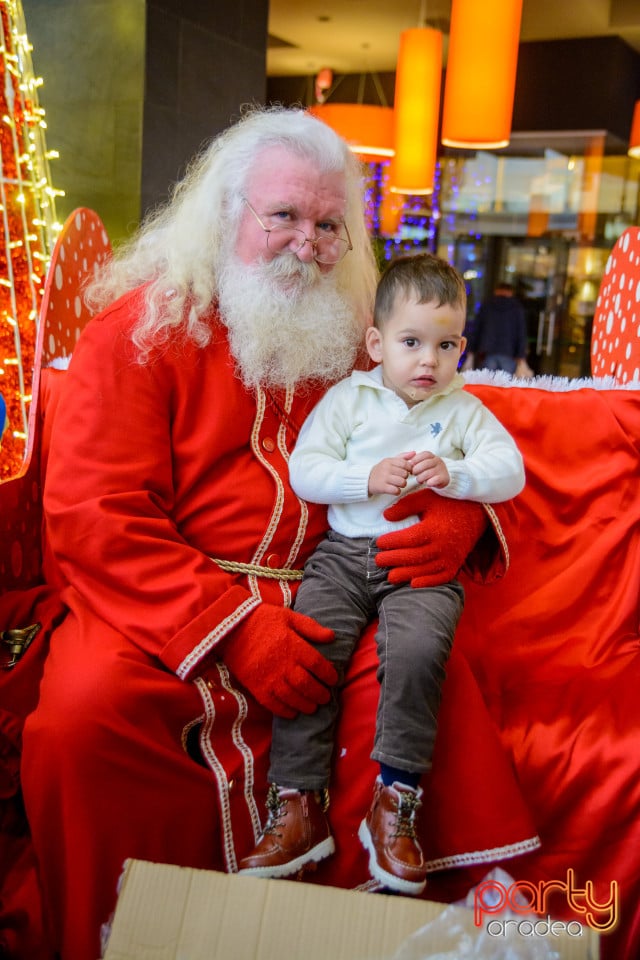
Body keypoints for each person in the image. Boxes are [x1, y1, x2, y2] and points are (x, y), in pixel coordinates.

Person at [19, 106, 517, 960]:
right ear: (227, 214)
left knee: (435, 678)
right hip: (165, 611)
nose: (308, 242)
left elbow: (451, 428)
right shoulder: (139, 331)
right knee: (80, 718)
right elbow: (97, 513)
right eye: (283, 216)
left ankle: (356, 938)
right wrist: (236, 627)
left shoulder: (360, 335)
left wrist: (461, 511)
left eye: (329, 224)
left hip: (339, 590)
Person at [237, 253, 525, 894]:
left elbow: (511, 471)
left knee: (422, 650)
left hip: (422, 561)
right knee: (310, 645)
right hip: (343, 554)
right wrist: (361, 478)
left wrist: (458, 476)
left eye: (445, 345)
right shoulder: (350, 398)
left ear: (462, 348)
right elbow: (306, 469)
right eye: (412, 342)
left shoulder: (464, 410)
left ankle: (396, 800)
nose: (429, 360)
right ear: (377, 343)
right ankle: (298, 803)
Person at [465, 281, 529, 374]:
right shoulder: (517, 308)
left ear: (496, 291)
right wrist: (520, 354)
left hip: (487, 351)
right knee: (505, 385)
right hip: (509, 352)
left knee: (488, 383)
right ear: (510, 292)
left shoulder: (487, 305)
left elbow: (477, 329)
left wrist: (471, 348)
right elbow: (521, 333)